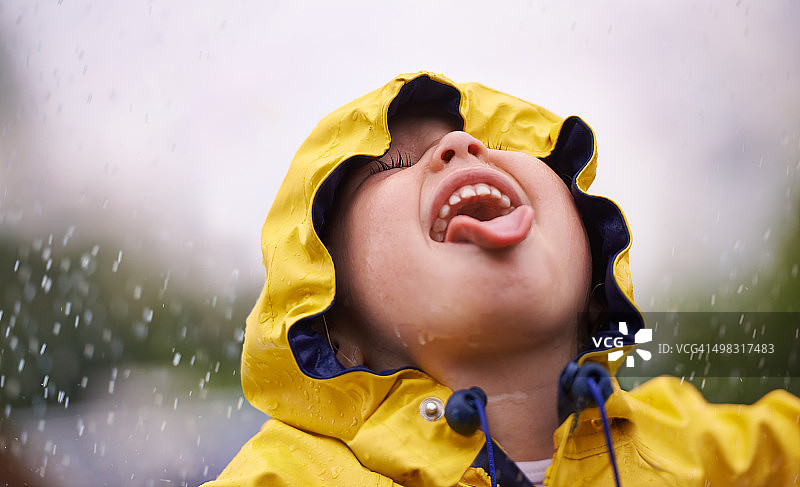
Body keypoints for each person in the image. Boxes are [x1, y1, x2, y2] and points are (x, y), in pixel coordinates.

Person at [203, 72, 800, 486]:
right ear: (331, 328)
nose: (461, 145)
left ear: (594, 265)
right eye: (394, 165)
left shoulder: (704, 448)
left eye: (503, 145)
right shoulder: (289, 478)